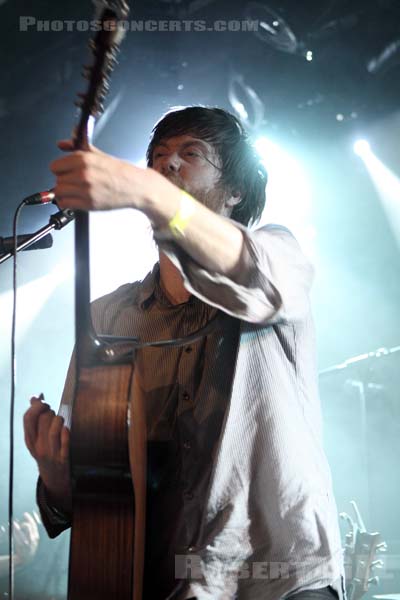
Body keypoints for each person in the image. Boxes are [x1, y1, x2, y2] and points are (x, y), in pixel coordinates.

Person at [23, 106, 344, 600]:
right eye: (157, 156)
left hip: (276, 578)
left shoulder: (278, 251)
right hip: (159, 580)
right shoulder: (107, 317)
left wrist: (148, 191)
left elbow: (254, 277)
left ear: (236, 191)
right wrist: (57, 477)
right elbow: (90, 489)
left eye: (190, 154)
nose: (168, 164)